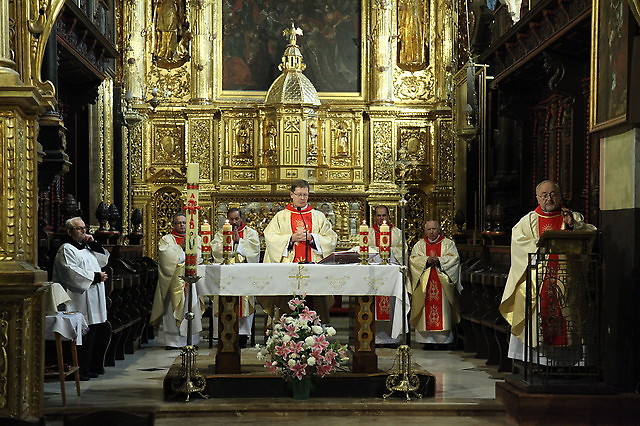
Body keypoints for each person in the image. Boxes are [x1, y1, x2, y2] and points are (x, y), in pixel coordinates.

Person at [499, 180, 596, 361]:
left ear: (559, 196)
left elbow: (589, 233)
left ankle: (567, 361)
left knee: (568, 306)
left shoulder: (572, 217)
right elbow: (519, 243)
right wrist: (540, 246)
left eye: (553, 194)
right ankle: (537, 359)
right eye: (544, 195)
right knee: (530, 302)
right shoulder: (528, 221)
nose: (549, 199)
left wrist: (572, 226)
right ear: (537, 198)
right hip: (538, 276)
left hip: (565, 276)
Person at [262, 179, 337, 323]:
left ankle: (315, 331)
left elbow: (331, 239)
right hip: (288, 269)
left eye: (305, 195)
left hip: (314, 269)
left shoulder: (318, 216)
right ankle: (285, 330)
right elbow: (270, 238)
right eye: (299, 195)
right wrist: (290, 239)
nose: (302, 198)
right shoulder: (281, 217)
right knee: (287, 305)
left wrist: (313, 238)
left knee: (315, 303)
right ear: (292, 195)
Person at [52, 217, 110, 380]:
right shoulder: (66, 249)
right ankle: (77, 369)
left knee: (92, 333)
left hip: (93, 298)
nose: (84, 231)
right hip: (77, 299)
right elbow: (70, 272)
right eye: (79, 228)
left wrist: (94, 243)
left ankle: (88, 367)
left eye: (84, 228)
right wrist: (95, 277)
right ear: (69, 232)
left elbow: (103, 260)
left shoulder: (86, 247)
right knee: (79, 335)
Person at [150, 213, 202, 349]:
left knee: (191, 307)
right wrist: (182, 249)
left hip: (191, 281)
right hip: (172, 282)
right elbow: (166, 258)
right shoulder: (166, 240)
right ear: (173, 225)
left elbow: (200, 257)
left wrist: (185, 251)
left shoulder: (196, 238)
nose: (181, 225)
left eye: (184, 222)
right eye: (178, 223)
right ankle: (172, 342)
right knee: (170, 311)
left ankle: (191, 340)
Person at [211, 208, 260, 347]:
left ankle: (243, 335)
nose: (234, 222)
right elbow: (215, 249)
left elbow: (254, 250)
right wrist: (229, 242)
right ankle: (223, 333)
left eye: (236, 219)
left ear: (241, 218)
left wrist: (239, 242)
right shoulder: (220, 233)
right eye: (231, 219)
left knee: (244, 302)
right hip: (225, 276)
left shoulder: (250, 233)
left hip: (244, 275)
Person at [409, 220, 461, 349]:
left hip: (442, 282)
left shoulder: (448, 244)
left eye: (434, 229)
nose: (432, 232)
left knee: (443, 309)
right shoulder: (420, 245)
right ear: (425, 230)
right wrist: (426, 260)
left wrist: (440, 260)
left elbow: (454, 259)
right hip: (425, 282)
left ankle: (442, 341)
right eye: (429, 229)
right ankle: (427, 341)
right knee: (425, 308)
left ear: (439, 229)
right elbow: (413, 260)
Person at [369, 205, 408, 346]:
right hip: (373, 275)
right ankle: (375, 337)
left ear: (389, 216)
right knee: (374, 306)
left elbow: (403, 251)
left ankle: (393, 338)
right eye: (379, 215)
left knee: (392, 305)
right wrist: (377, 253)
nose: (381, 218)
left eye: (384, 215)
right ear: (375, 217)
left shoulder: (397, 233)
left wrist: (389, 252)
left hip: (392, 276)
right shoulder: (369, 233)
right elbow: (363, 249)